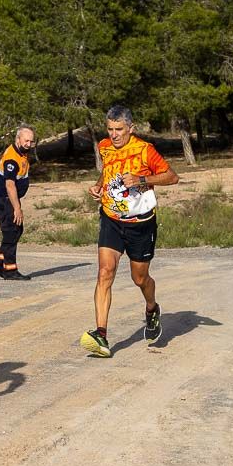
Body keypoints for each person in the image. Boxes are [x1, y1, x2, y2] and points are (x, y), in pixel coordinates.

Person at [79, 105, 179, 358]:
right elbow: (107, 169)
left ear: (131, 128)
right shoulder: (104, 146)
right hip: (112, 218)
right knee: (105, 272)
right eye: (110, 129)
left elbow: (172, 176)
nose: (114, 135)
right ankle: (101, 334)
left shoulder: (145, 151)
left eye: (119, 130)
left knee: (140, 279)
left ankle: (151, 308)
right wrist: (98, 186)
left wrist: (141, 180)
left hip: (140, 224)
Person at [0, 126, 36, 280]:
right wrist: (17, 208)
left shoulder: (21, 153)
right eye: (26, 140)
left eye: (31, 141)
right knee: (12, 232)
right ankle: (10, 270)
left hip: (10, 200)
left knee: (16, 231)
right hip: (6, 200)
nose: (29, 144)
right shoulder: (12, 158)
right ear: (18, 139)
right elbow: (9, 185)